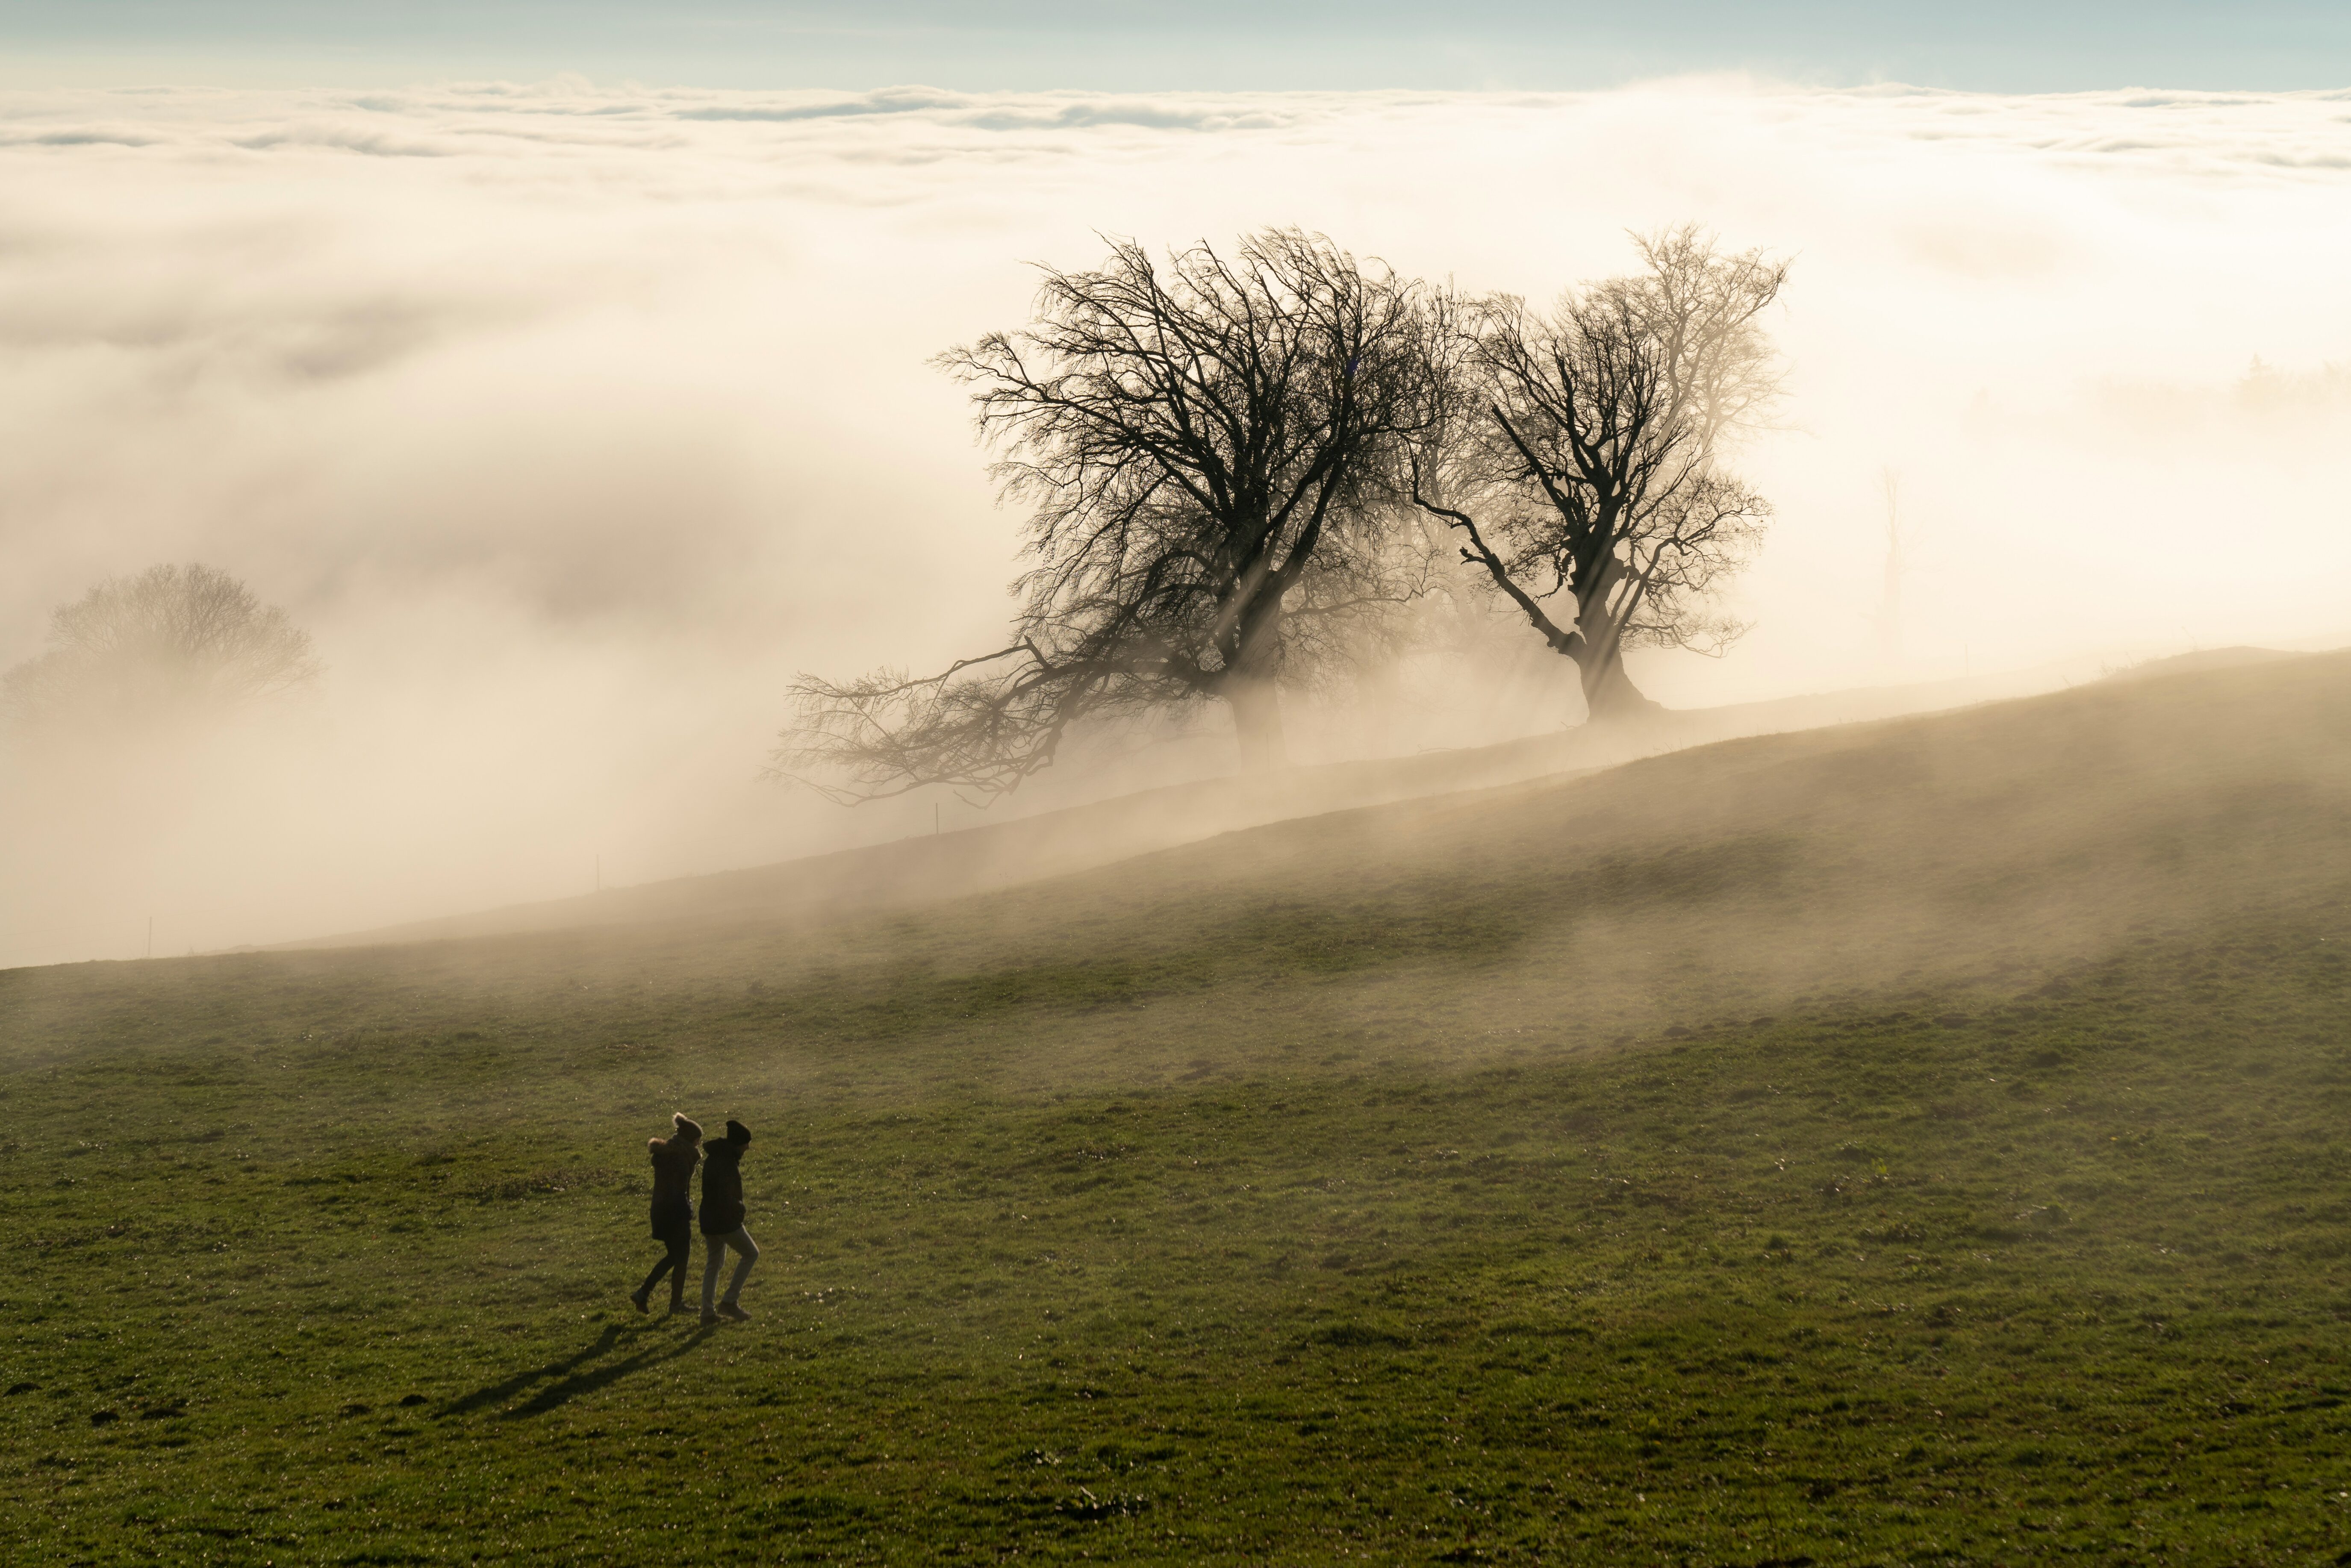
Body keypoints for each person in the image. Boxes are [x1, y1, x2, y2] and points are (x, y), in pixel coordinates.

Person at [630, 1113, 701, 1315]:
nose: (699, 1144)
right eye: (697, 1140)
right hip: (675, 1214)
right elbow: (678, 1192)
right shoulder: (680, 1159)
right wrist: (687, 1212)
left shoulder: (670, 1153)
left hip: (662, 1212)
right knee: (682, 1257)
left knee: (675, 1256)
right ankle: (675, 1304)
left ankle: (644, 1293)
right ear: (690, 1140)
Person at [698, 1119, 759, 1324]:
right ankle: (730, 1302)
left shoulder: (716, 1158)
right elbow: (727, 1196)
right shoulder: (726, 1162)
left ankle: (707, 1313)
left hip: (708, 1219)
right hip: (724, 1221)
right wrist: (740, 1209)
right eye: (746, 1144)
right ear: (737, 1144)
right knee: (751, 1253)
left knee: (714, 1263)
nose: (748, 1148)